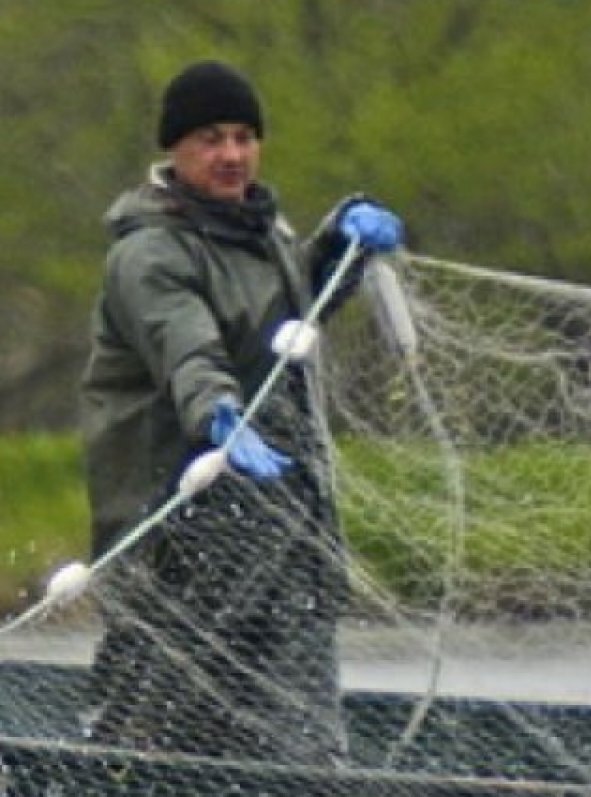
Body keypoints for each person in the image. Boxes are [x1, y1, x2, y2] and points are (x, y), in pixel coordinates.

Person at [80, 60, 404, 764]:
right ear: (174, 150)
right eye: (209, 139)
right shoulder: (147, 254)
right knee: (154, 740)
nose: (231, 155)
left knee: (298, 743)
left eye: (242, 137)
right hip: (174, 538)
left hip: (281, 536)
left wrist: (340, 249)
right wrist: (220, 414)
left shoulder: (264, 233)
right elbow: (187, 346)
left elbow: (288, 313)